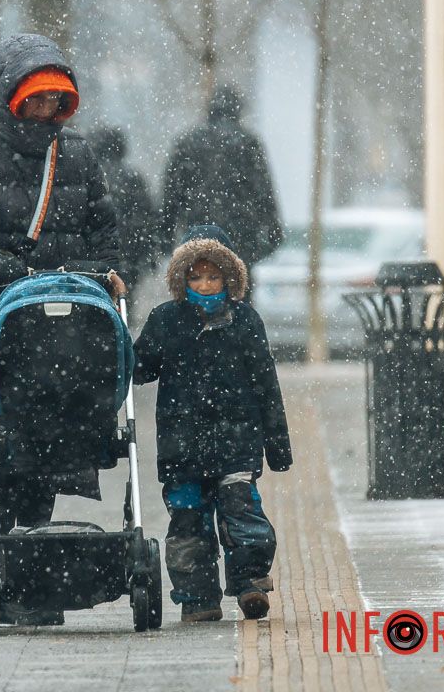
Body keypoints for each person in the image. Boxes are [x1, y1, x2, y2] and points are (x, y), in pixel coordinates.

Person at [0, 33, 120, 620]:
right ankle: (7, 551)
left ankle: (36, 561)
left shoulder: (80, 157)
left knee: (54, 431)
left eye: (53, 101)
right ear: (8, 98)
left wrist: (101, 269)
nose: (43, 112)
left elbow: (105, 231)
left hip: (65, 318)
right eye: (33, 100)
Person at [132, 224, 293, 622]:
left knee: (242, 511)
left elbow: (265, 384)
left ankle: (251, 581)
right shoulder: (166, 320)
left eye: (213, 275)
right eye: (196, 276)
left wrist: (278, 445)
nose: (205, 285)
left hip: (236, 440)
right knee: (188, 520)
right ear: (182, 278)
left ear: (230, 277)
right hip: (181, 444)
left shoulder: (244, 321)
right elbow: (139, 368)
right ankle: (197, 596)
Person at [160, 85, 284, 293]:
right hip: (241, 234)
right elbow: (263, 192)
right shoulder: (248, 143)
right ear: (238, 110)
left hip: (197, 232)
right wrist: (272, 232)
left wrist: (166, 233)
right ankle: (237, 322)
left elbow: (172, 194)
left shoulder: (187, 142)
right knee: (238, 293)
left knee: (196, 288)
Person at [86, 126, 158, 298]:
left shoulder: (87, 176)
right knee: (125, 299)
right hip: (129, 253)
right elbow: (146, 217)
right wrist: (149, 252)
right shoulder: (132, 177)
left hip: (95, 255)